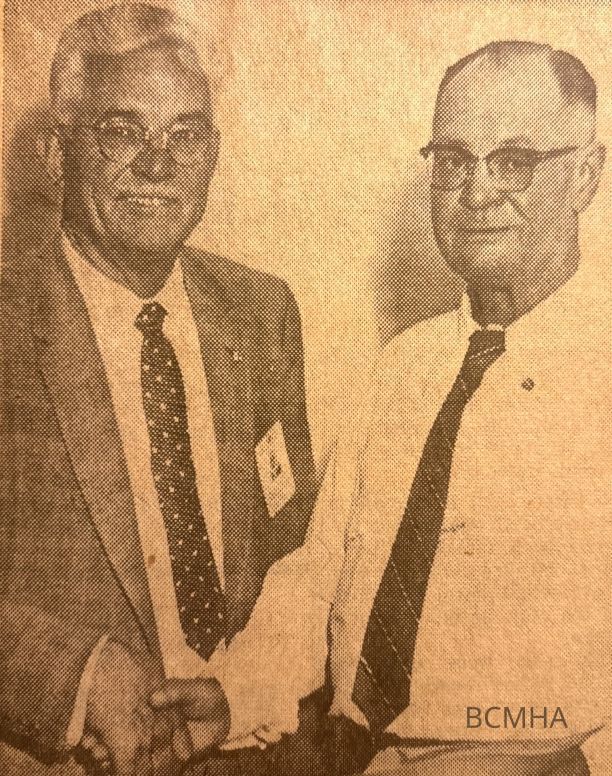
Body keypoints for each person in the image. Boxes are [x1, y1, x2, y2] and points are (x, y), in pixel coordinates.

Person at [152, 41, 610, 775]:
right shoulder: (405, 367)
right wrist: (233, 695)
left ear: (586, 175)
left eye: (513, 162)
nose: (477, 194)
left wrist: (575, 758)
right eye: (453, 162)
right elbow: (321, 574)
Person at [0, 4, 317, 776]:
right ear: (56, 154)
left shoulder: (262, 311)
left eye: (185, 135)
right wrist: (74, 678)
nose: (157, 165)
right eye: (122, 131)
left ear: (212, 154)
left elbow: (297, 553)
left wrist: (249, 691)